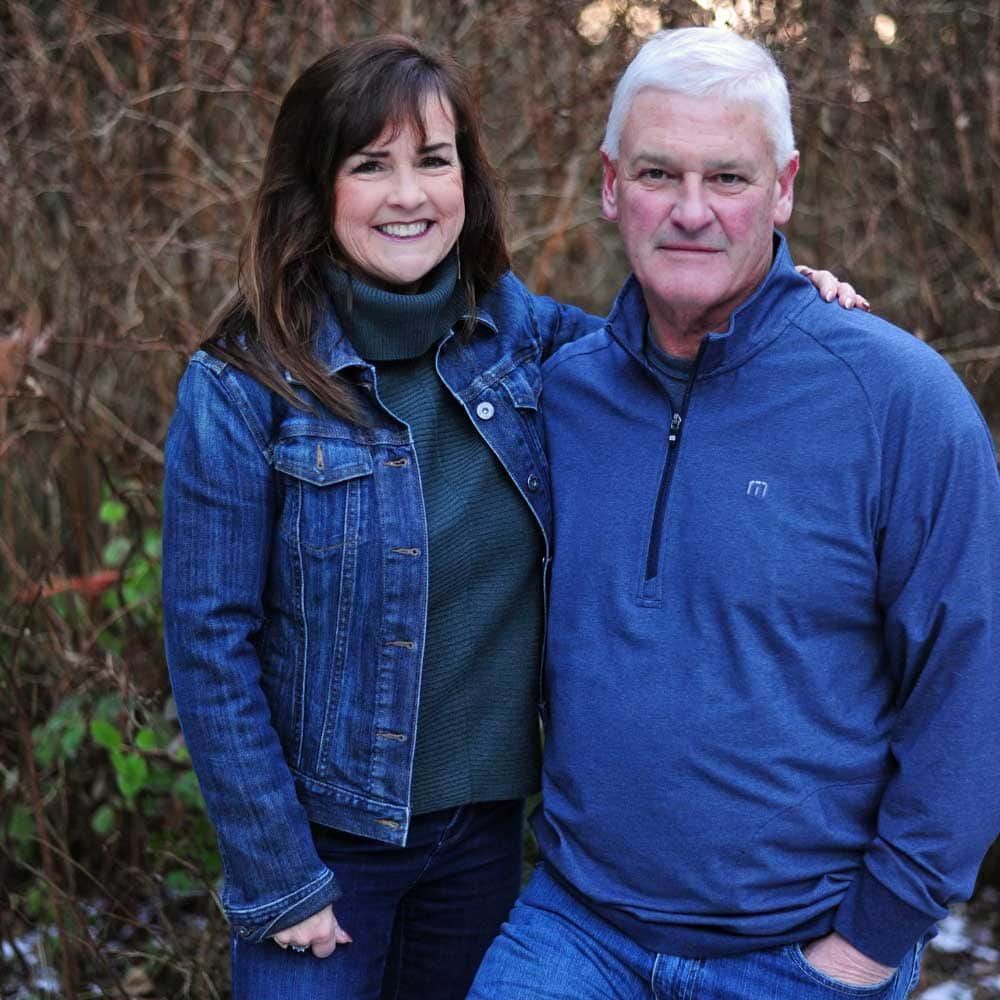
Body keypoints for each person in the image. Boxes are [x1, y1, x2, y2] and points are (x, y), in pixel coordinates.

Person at [161, 34, 860, 1000]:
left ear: (467, 182)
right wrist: (279, 875)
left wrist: (789, 293)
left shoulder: (521, 343)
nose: (409, 194)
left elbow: (675, 339)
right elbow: (209, 647)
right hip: (324, 852)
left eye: (433, 160)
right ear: (315, 188)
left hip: (485, 848)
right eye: (372, 166)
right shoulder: (244, 387)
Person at [469, 27, 1000, 1000]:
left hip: (801, 950)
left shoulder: (900, 407)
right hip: (580, 928)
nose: (689, 210)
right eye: (658, 172)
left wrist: (866, 946)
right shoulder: (555, 397)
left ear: (785, 187)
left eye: (728, 178)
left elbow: (970, 689)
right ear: (607, 183)